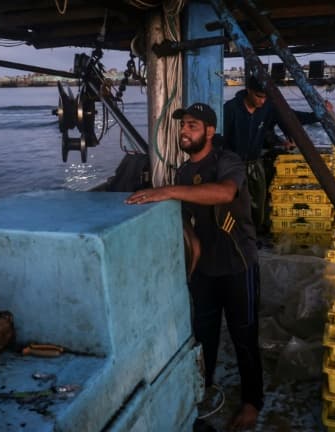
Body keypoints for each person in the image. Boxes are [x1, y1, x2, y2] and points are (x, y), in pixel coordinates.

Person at [126, 102, 262, 430]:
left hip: (237, 264)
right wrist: (193, 252)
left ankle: (252, 403)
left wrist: (166, 191)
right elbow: (188, 220)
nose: (184, 131)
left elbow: (225, 193)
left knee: (244, 336)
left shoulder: (227, 162)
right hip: (205, 270)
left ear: (209, 132)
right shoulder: (184, 172)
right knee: (204, 337)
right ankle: (203, 390)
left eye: (192, 125)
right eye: (183, 125)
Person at [223, 76, 333, 234]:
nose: (262, 101)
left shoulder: (269, 107)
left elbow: (292, 117)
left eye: (265, 97)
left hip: (255, 163)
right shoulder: (230, 109)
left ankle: (254, 235)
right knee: (236, 204)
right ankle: (235, 235)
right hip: (233, 165)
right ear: (249, 91)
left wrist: (320, 113)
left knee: (258, 203)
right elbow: (221, 139)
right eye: (259, 96)